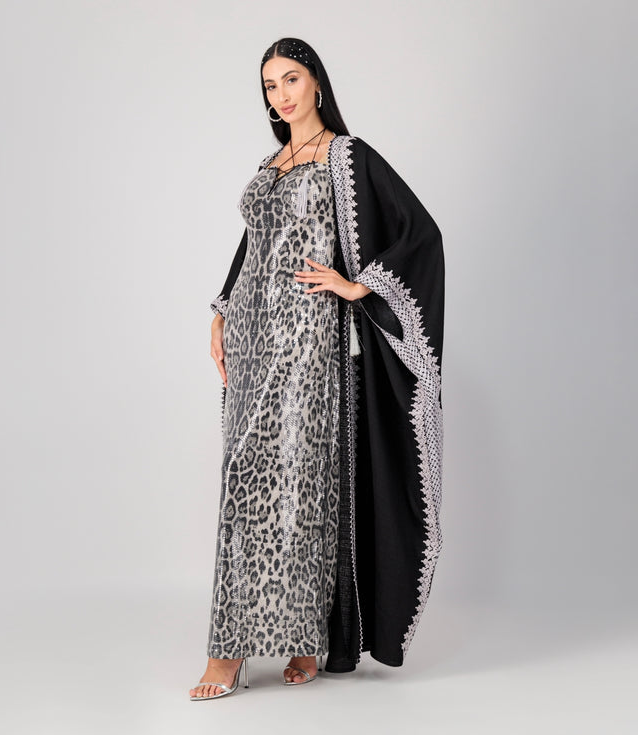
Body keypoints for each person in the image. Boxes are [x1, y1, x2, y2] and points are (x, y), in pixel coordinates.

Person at [190, 37, 445, 701]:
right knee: (245, 474)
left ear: (317, 84)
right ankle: (240, 644)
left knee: (303, 481)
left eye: (291, 79)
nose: (280, 95)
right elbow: (254, 246)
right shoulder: (270, 163)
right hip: (253, 335)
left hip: (309, 340)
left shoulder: (346, 156)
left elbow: (420, 233)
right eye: (269, 85)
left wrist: (360, 285)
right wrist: (222, 311)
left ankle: (294, 638)